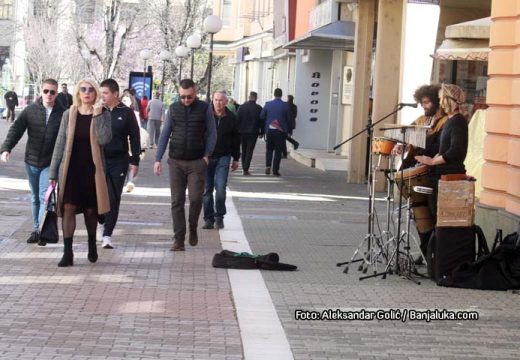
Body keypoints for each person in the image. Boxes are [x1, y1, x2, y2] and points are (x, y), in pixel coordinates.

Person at [49, 79, 112, 267]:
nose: (86, 92)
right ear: (77, 92)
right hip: (71, 169)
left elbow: (105, 139)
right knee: (68, 208)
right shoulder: (69, 114)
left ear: (95, 93)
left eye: (91, 89)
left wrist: (98, 115)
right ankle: (67, 253)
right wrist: (53, 172)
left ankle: (92, 245)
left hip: (92, 170)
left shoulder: (102, 113)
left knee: (91, 211)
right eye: (83, 89)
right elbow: (60, 143)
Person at [153, 78, 217, 251]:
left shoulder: (204, 108)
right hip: (176, 162)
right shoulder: (173, 109)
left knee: (196, 199)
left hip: (197, 161)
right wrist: (158, 159)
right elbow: (165, 134)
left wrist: (206, 156)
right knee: (177, 201)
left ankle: (193, 227)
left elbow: (212, 133)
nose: (186, 100)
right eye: (182, 97)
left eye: (189, 97)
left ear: (195, 92)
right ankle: (179, 239)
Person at [0, 79, 65, 244]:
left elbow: (68, 139)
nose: (49, 95)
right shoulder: (30, 110)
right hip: (31, 161)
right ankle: (36, 228)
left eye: (52, 92)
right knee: (35, 197)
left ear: (57, 93)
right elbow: (16, 129)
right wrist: (6, 148)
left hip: (50, 164)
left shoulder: (63, 113)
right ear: (41, 92)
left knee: (45, 197)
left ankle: (40, 231)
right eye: (46, 91)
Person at [393, 84, 449, 264]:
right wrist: (401, 144)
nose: (424, 106)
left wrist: (422, 149)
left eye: (427, 102)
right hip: (419, 173)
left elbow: (440, 149)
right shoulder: (420, 120)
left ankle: (434, 253)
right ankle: (426, 251)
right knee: (420, 214)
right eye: (422, 102)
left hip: (433, 173)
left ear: (437, 102)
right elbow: (406, 136)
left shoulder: (446, 122)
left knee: (432, 213)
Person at [414, 83, 468, 255]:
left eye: (441, 97)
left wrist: (432, 162)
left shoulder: (458, 121)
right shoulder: (451, 120)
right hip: (440, 174)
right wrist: (428, 159)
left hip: (448, 176)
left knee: (440, 218)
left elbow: (456, 151)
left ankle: (438, 256)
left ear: (448, 99)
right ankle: (432, 254)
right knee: (432, 214)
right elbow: (444, 150)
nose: (439, 101)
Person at [97, 79, 141, 249]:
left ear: (115, 94)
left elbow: (135, 137)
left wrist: (134, 160)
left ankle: (107, 234)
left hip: (119, 161)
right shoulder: (98, 110)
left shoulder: (127, 112)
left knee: (113, 198)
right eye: (101, 93)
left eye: (105, 93)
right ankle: (101, 221)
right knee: (97, 196)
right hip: (99, 161)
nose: (102, 96)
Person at [202, 90, 240, 230]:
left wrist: (236, 158)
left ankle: (219, 217)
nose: (218, 103)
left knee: (220, 188)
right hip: (207, 156)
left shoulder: (231, 118)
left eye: (221, 100)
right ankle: (208, 218)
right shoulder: (206, 116)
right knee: (207, 189)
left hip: (224, 156)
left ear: (226, 102)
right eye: (216, 100)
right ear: (212, 100)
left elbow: (236, 139)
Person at [260, 88, 292, 177]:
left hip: (270, 131)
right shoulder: (286, 105)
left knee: (269, 149)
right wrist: (289, 129)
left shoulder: (268, 104)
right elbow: (289, 119)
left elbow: (262, 116)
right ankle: (275, 170)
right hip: (281, 132)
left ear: (274, 94)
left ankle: (268, 165)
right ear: (281, 95)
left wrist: (268, 120)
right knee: (278, 151)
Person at [236, 91, 262, 175]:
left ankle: (244, 167)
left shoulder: (242, 107)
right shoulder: (258, 108)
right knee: (249, 150)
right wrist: (262, 132)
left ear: (249, 97)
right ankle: (246, 168)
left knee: (244, 149)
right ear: (256, 98)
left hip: (242, 132)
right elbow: (261, 121)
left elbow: (237, 119)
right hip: (253, 132)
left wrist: (236, 131)